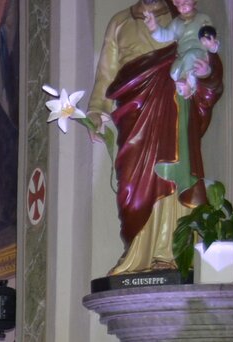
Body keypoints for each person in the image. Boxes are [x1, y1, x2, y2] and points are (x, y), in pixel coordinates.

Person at [92, 0, 223, 276]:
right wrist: (95, 112)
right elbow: (105, 76)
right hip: (134, 114)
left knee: (172, 172)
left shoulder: (182, 18)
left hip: (173, 110)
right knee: (131, 186)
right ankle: (137, 253)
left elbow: (206, 58)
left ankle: (169, 253)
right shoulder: (119, 22)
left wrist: (206, 72)